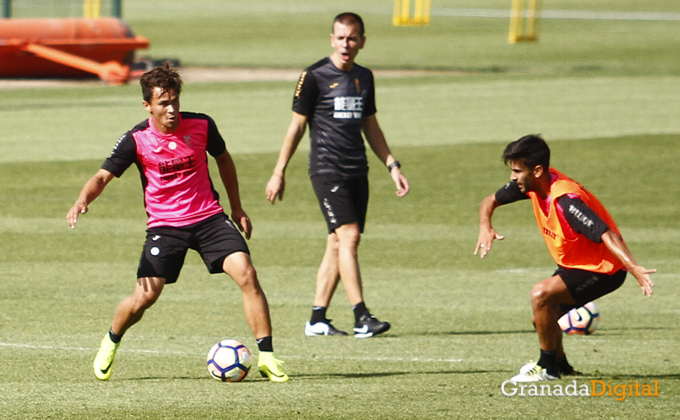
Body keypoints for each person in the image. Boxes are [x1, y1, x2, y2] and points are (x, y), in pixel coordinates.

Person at [66, 63, 288, 382]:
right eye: (163, 103)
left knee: (247, 274)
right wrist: (82, 199)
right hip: (165, 227)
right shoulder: (136, 139)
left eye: (175, 101)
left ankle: (267, 357)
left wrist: (237, 208)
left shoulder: (202, 125)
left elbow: (223, 159)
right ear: (148, 106)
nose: (171, 110)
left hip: (209, 218)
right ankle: (111, 339)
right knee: (145, 297)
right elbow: (102, 175)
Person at [265, 12, 410, 338]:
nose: (347, 44)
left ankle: (317, 318)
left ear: (362, 41)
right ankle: (361, 316)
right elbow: (296, 126)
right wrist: (279, 173)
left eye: (353, 38)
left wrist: (392, 165)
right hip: (326, 170)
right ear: (332, 39)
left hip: (358, 170)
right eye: (341, 38)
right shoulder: (314, 76)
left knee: (336, 243)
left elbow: (370, 125)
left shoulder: (364, 77)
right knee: (349, 237)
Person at [475, 134, 655, 382]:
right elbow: (489, 201)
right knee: (542, 317)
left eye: (517, 170)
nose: (512, 177)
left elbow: (606, 233)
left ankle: (546, 368)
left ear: (537, 170)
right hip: (575, 265)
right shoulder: (532, 185)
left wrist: (633, 266)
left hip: (604, 270)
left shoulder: (567, 201)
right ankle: (561, 365)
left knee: (540, 294)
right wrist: (486, 226)